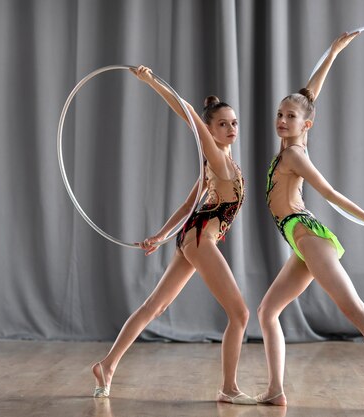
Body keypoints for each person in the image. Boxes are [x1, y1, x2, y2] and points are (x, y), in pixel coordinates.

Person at [256, 33, 364, 412]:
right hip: (299, 240)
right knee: (268, 312)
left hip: (308, 235)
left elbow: (330, 194)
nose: (282, 120)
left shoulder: (296, 154)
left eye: (291, 117)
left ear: (306, 126)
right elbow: (309, 96)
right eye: (280, 114)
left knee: (354, 310)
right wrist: (332, 52)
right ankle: (275, 389)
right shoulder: (289, 144)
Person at [92, 66, 255, 405]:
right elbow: (189, 114)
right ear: (209, 131)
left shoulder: (222, 165)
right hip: (200, 240)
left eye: (234, 123)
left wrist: (162, 236)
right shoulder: (215, 157)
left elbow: (188, 204)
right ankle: (228, 388)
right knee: (240, 314)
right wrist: (152, 81)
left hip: (191, 237)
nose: (230, 129)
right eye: (222, 124)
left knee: (156, 305)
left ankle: (107, 365)